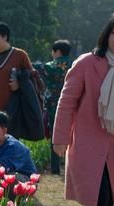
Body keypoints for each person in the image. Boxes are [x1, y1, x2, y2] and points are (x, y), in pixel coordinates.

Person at [53, 7, 114, 206]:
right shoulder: (87, 63)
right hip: (88, 142)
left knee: (109, 201)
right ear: (106, 34)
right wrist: (60, 139)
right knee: (97, 196)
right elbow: (67, 102)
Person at [0, 22, 34, 119]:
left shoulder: (20, 55)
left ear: (4, 37)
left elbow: (31, 76)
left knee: (12, 133)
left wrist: (19, 84)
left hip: (13, 106)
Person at [41, 40, 73, 175]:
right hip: (73, 102)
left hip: (55, 104)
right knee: (73, 134)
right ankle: (70, 166)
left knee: (56, 134)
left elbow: (37, 70)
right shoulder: (75, 64)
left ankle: (55, 167)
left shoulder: (49, 66)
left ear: (57, 51)